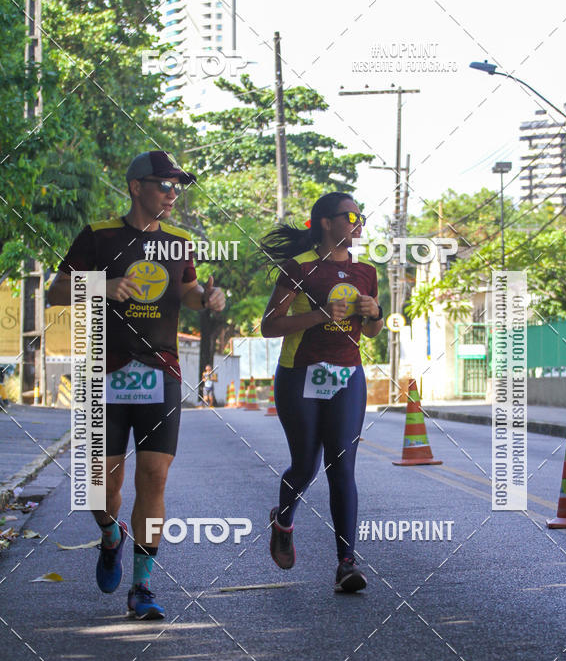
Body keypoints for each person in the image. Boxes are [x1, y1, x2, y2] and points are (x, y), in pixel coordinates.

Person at [48, 150, 225, 619]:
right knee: (100, 489)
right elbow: (56, 290)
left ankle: (142, 588)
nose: (172, 194)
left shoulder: (179, 242)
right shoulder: (99, 236)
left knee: (154, 477)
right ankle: (110, 533)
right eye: (164, 185)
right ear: (136, 188)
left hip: (160, 369)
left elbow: (186, 290)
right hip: (102, 371)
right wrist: (100, 285)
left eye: (176, 187)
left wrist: (207, 297)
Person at [260, 192, 383, 592]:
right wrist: (317, 316)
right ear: (326, 223)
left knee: (341, 465)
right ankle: (283, 520)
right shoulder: (298, 268)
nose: (357, 221)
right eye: (350, 215)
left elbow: (371, 331)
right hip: (299, 375)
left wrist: (374, 314)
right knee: (305, 465)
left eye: (360, 214)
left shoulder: (366, 272)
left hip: (348, 376)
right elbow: (269, 325)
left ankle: (346, 563)